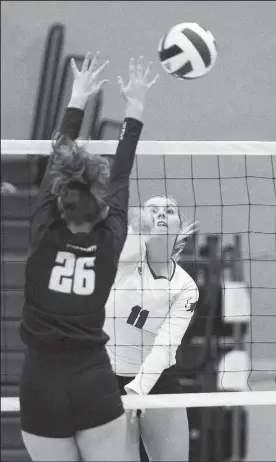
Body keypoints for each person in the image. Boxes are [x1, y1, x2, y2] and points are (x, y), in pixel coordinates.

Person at [19, 51, 159, 462]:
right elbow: (121, 172)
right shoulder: (112, 238)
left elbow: (59, 156)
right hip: (93, 381)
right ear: (100, 203)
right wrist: (135, 107)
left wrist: (77, 96)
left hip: (40, 385)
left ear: (60, 196)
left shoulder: (43, 228)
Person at [104, 196, 199, 461]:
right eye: (152, 210)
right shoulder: (125, 261)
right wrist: (137, 229)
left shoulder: (185, 287)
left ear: (179, 226)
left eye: (168, 211)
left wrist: (138, 390)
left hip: (158, 379)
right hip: (108, 380)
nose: (160, 214)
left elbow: (166, 347)